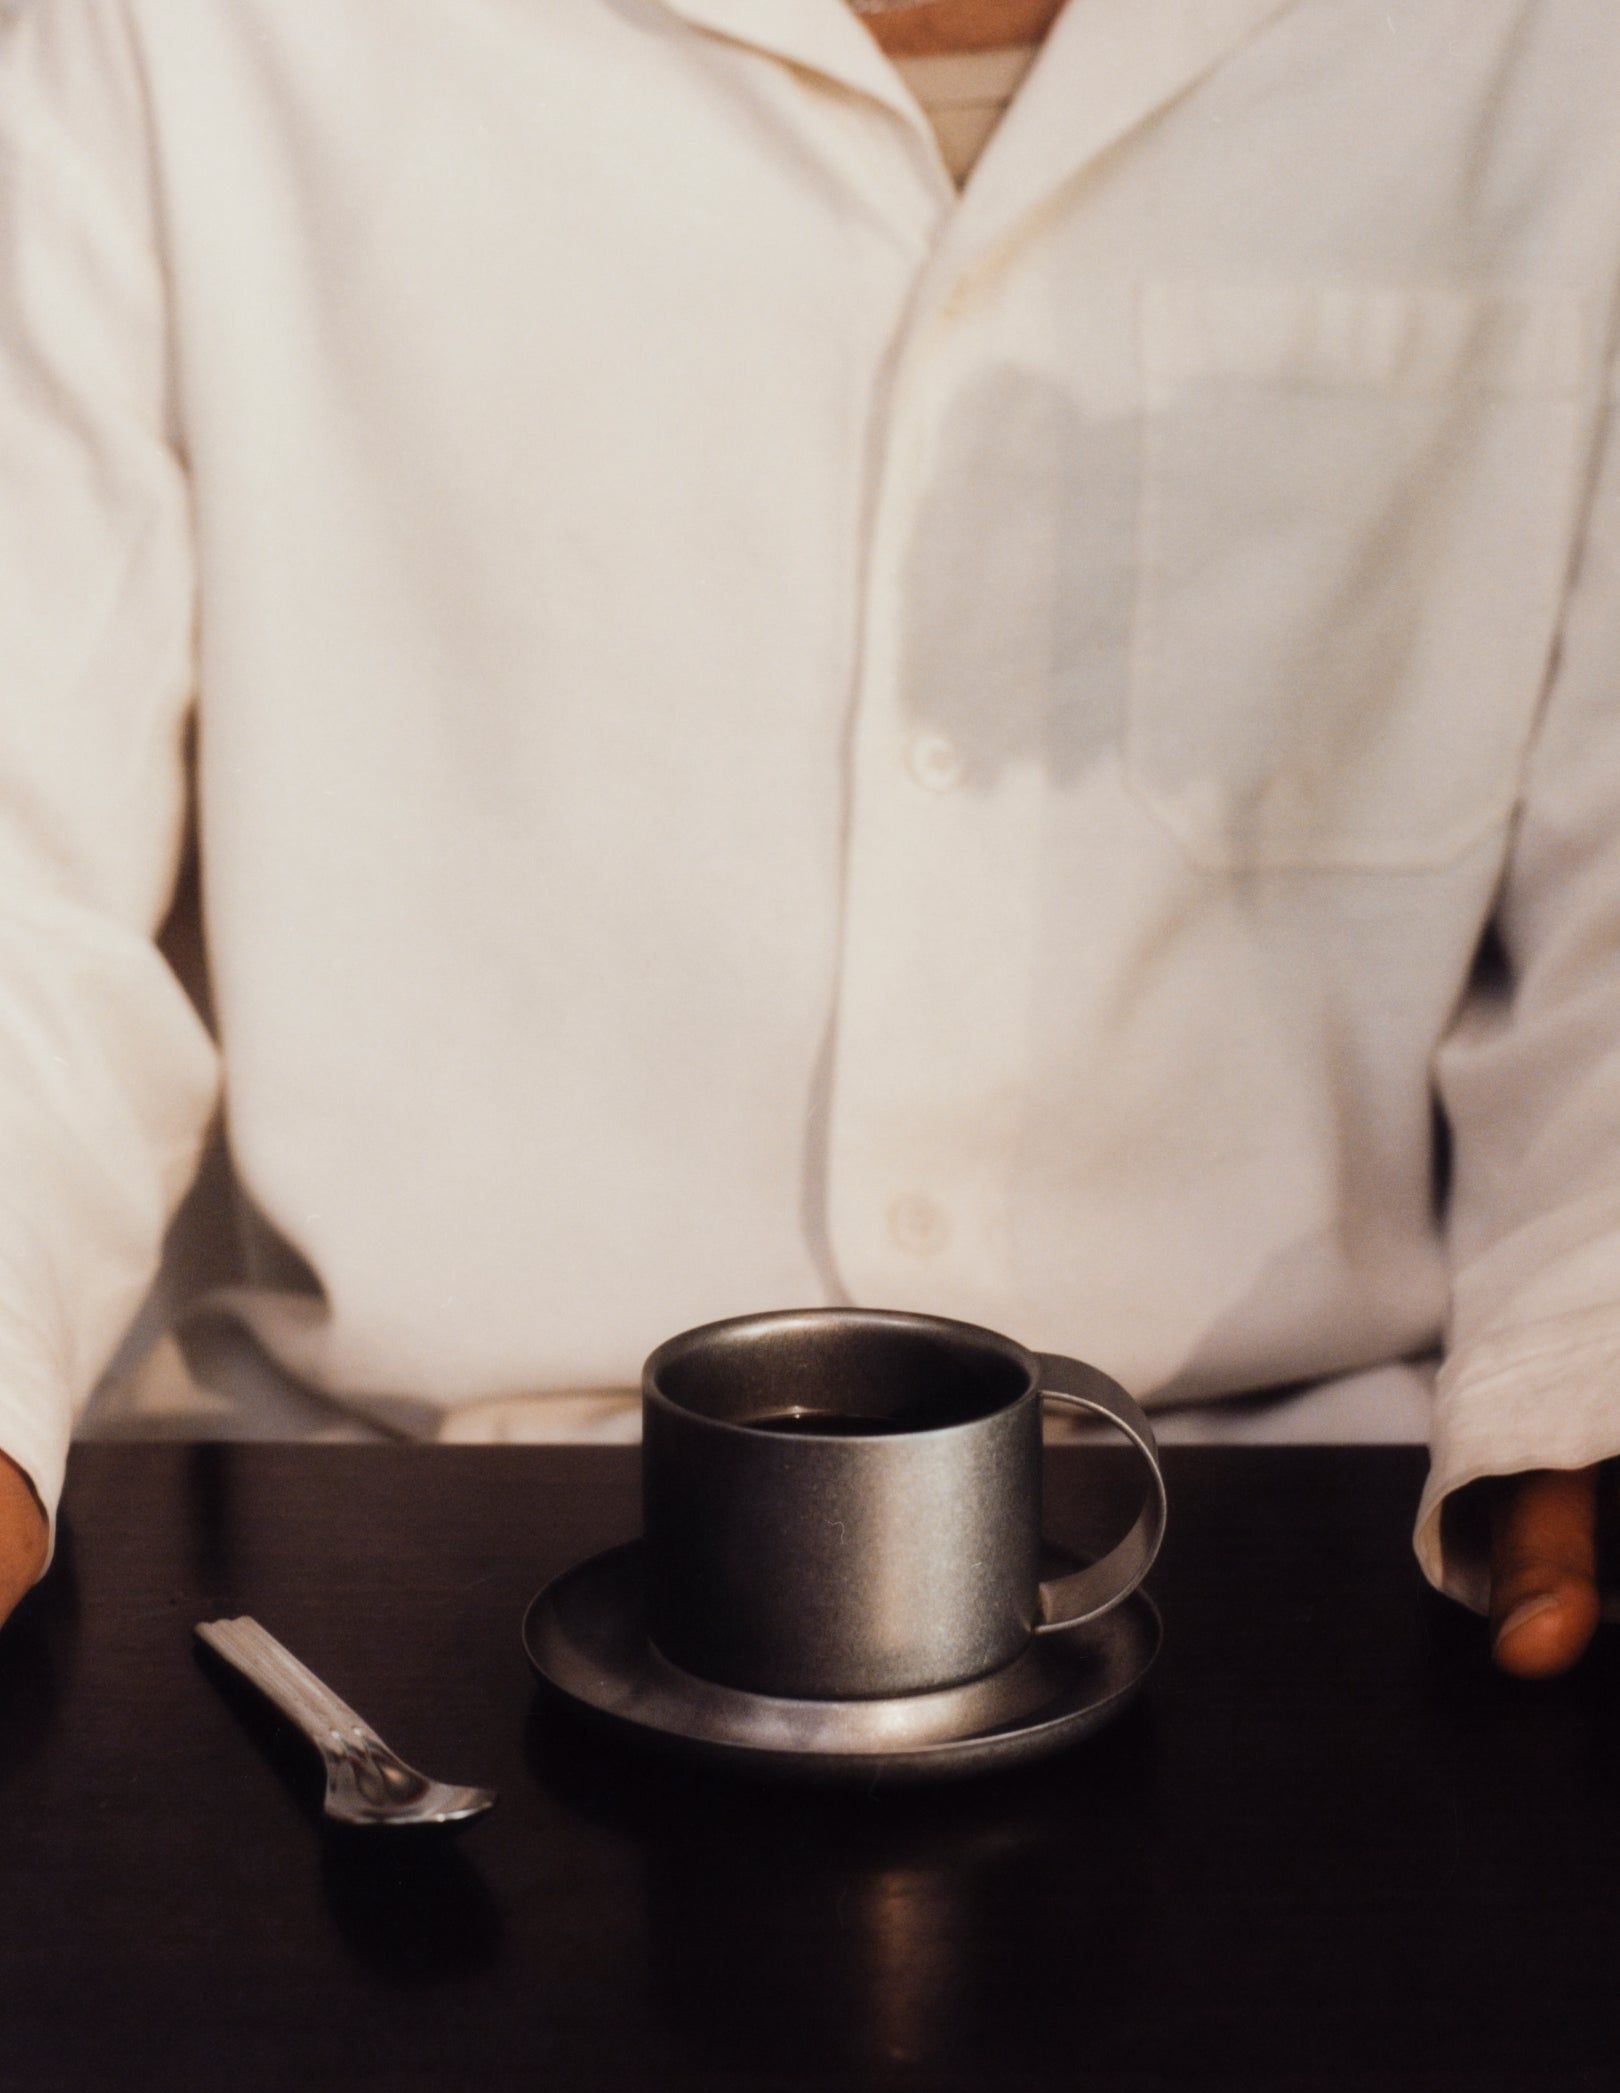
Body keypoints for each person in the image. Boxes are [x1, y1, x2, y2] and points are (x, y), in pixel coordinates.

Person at [1, 0, 1616, 1679]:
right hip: (396, 1540)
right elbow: (19, 868)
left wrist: (1594, 1349)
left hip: (1320, 1527)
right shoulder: (172, 35)